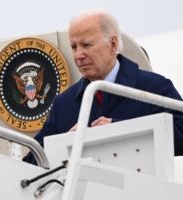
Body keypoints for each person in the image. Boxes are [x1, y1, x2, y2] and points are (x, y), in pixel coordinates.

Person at [23, 9, 183, 165]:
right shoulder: (63, 104)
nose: (78, 55)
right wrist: (64, 143)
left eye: (86, 45)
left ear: (112, 44)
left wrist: (121, 131)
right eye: (74, 47)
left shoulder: (152, 88)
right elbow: (31, 162)